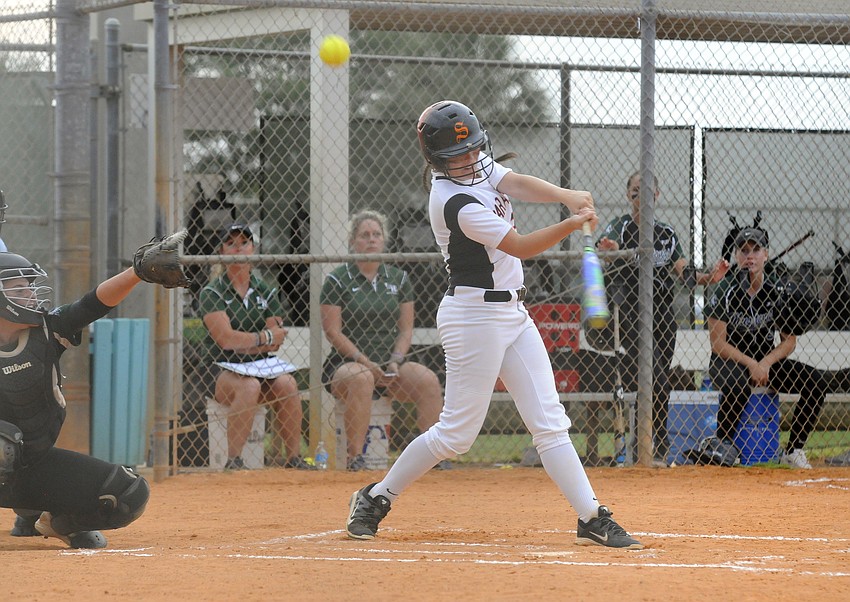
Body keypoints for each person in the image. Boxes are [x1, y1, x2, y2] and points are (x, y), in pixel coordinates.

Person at [345, 99, 643, 549]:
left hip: (513, 315)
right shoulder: (452, 200)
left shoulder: (475, 163)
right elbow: (520, 246)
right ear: (437, 160)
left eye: (473, 151)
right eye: (457, 157)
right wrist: (572, 222)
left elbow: (515, 181)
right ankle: (375, 497)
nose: (469, 161)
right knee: (457, 435)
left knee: (549, 422)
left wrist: (565, 195)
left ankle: (590, 516)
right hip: (473, 317)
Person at [1, 234, 187, 549]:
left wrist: (136, 273)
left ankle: (61, 522)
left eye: (30, 287)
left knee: (127, 494)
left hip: (33, 468)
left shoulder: (47, 331)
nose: (31, 296)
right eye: (19, 290)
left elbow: (91, 304)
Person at [596, 172, 729, 466]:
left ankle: (655, 439)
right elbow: (603, 250)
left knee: (659, 378)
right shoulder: (620, 227)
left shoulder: (666, 233)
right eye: (634, 189)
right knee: (642, 377)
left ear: (656, 195)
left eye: (646, 190)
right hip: (630, 314)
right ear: (628, 195)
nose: (640, 195)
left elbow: (683, 271)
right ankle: (641, 438)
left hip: (661, 316)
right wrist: (612, 252)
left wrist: (709, 277)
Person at [320, 210, 444, 471]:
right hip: (346, 366)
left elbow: (405, 331)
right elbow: (333, 331)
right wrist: (367, 363)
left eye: (377, 234)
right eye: (364, 235)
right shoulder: (337, 279)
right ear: (353, 241)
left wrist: (395, 362)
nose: (371, 240)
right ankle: (356, 458)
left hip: (390, 367)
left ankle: (432, 458)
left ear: (384, 239)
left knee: (429, 381)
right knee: (362, 378)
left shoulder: (398, 279)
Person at [705, 226, 826, 469]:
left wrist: (765, 363)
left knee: (816, 382)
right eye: (744, 250)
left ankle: (793, 450)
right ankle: (724, 445)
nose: (750, 256)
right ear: (737, 256)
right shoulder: (724, 290)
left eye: (756, 250)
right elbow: (717, 343)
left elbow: (789, 340)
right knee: (736, 383)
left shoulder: (777, 292)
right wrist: (751, 364)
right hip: (730, 362)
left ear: (766, 255)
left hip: (765, 361)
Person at [199, 223, 311, 470]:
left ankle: (294, 458)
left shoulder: (266, 291)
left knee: (288, 384)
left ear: (253, 249)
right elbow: (225, 340)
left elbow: (278, 338)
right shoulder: (212, 292)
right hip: (219, 368)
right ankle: (234, 461)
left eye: (244, 243)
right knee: (249, 387)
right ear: (221, 252)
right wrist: (263, 338)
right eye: (230, 244)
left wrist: (253, 341)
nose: (238, 248)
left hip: (260, 366)